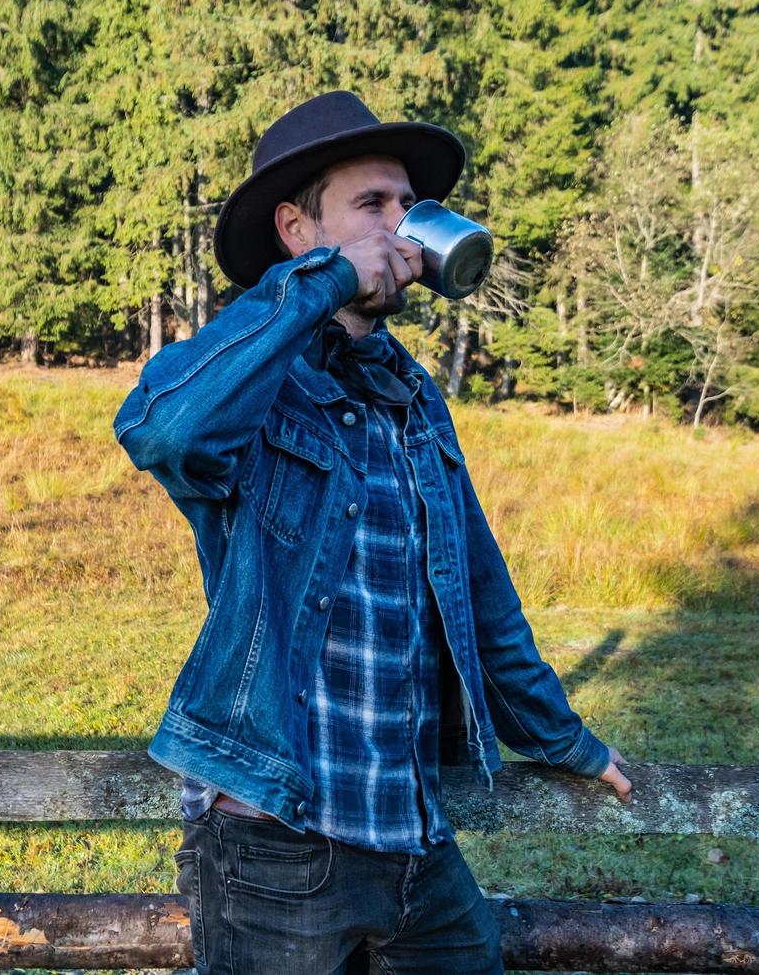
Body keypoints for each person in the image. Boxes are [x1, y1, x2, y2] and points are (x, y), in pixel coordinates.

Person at [113, 90, 633, 975]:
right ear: (296, 227)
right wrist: (329, 283)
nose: (402, 225)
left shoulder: (415, 397)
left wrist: (560, 737)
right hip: (278, 845)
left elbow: (479, 592)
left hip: (412, 839)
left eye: (408, 204)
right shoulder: (256, 388)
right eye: (373, 205)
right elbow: (162, 428)